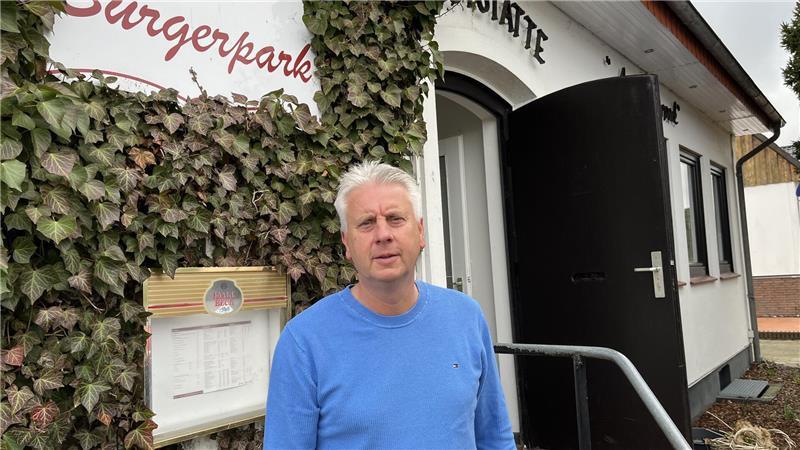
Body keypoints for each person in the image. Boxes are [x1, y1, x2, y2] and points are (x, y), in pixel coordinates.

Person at [264, 160, 515, 449]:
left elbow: (494, 437)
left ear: (420, 232)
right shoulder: (304, 342)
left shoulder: (466, 317)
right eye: (367, 223)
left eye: (395, 218)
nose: (383, 235)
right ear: (347, 242)